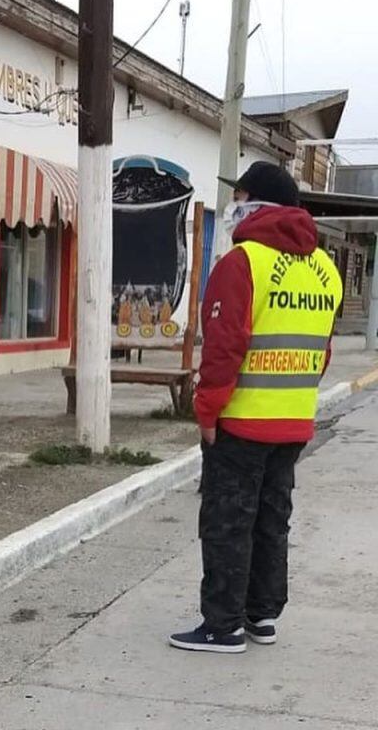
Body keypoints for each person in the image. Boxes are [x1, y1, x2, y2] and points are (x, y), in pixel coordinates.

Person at [170, 162, 342, 654]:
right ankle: (261, 616)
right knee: (272, 519)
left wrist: (207, 412)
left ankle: (221, 626)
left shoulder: (243, 262)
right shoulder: (325, 268)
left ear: (258, 203)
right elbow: (323, 350)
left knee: (227, 520)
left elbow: (223, 348)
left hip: (242, 421)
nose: (234, 205)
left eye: (240, 195)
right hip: (292, 420)